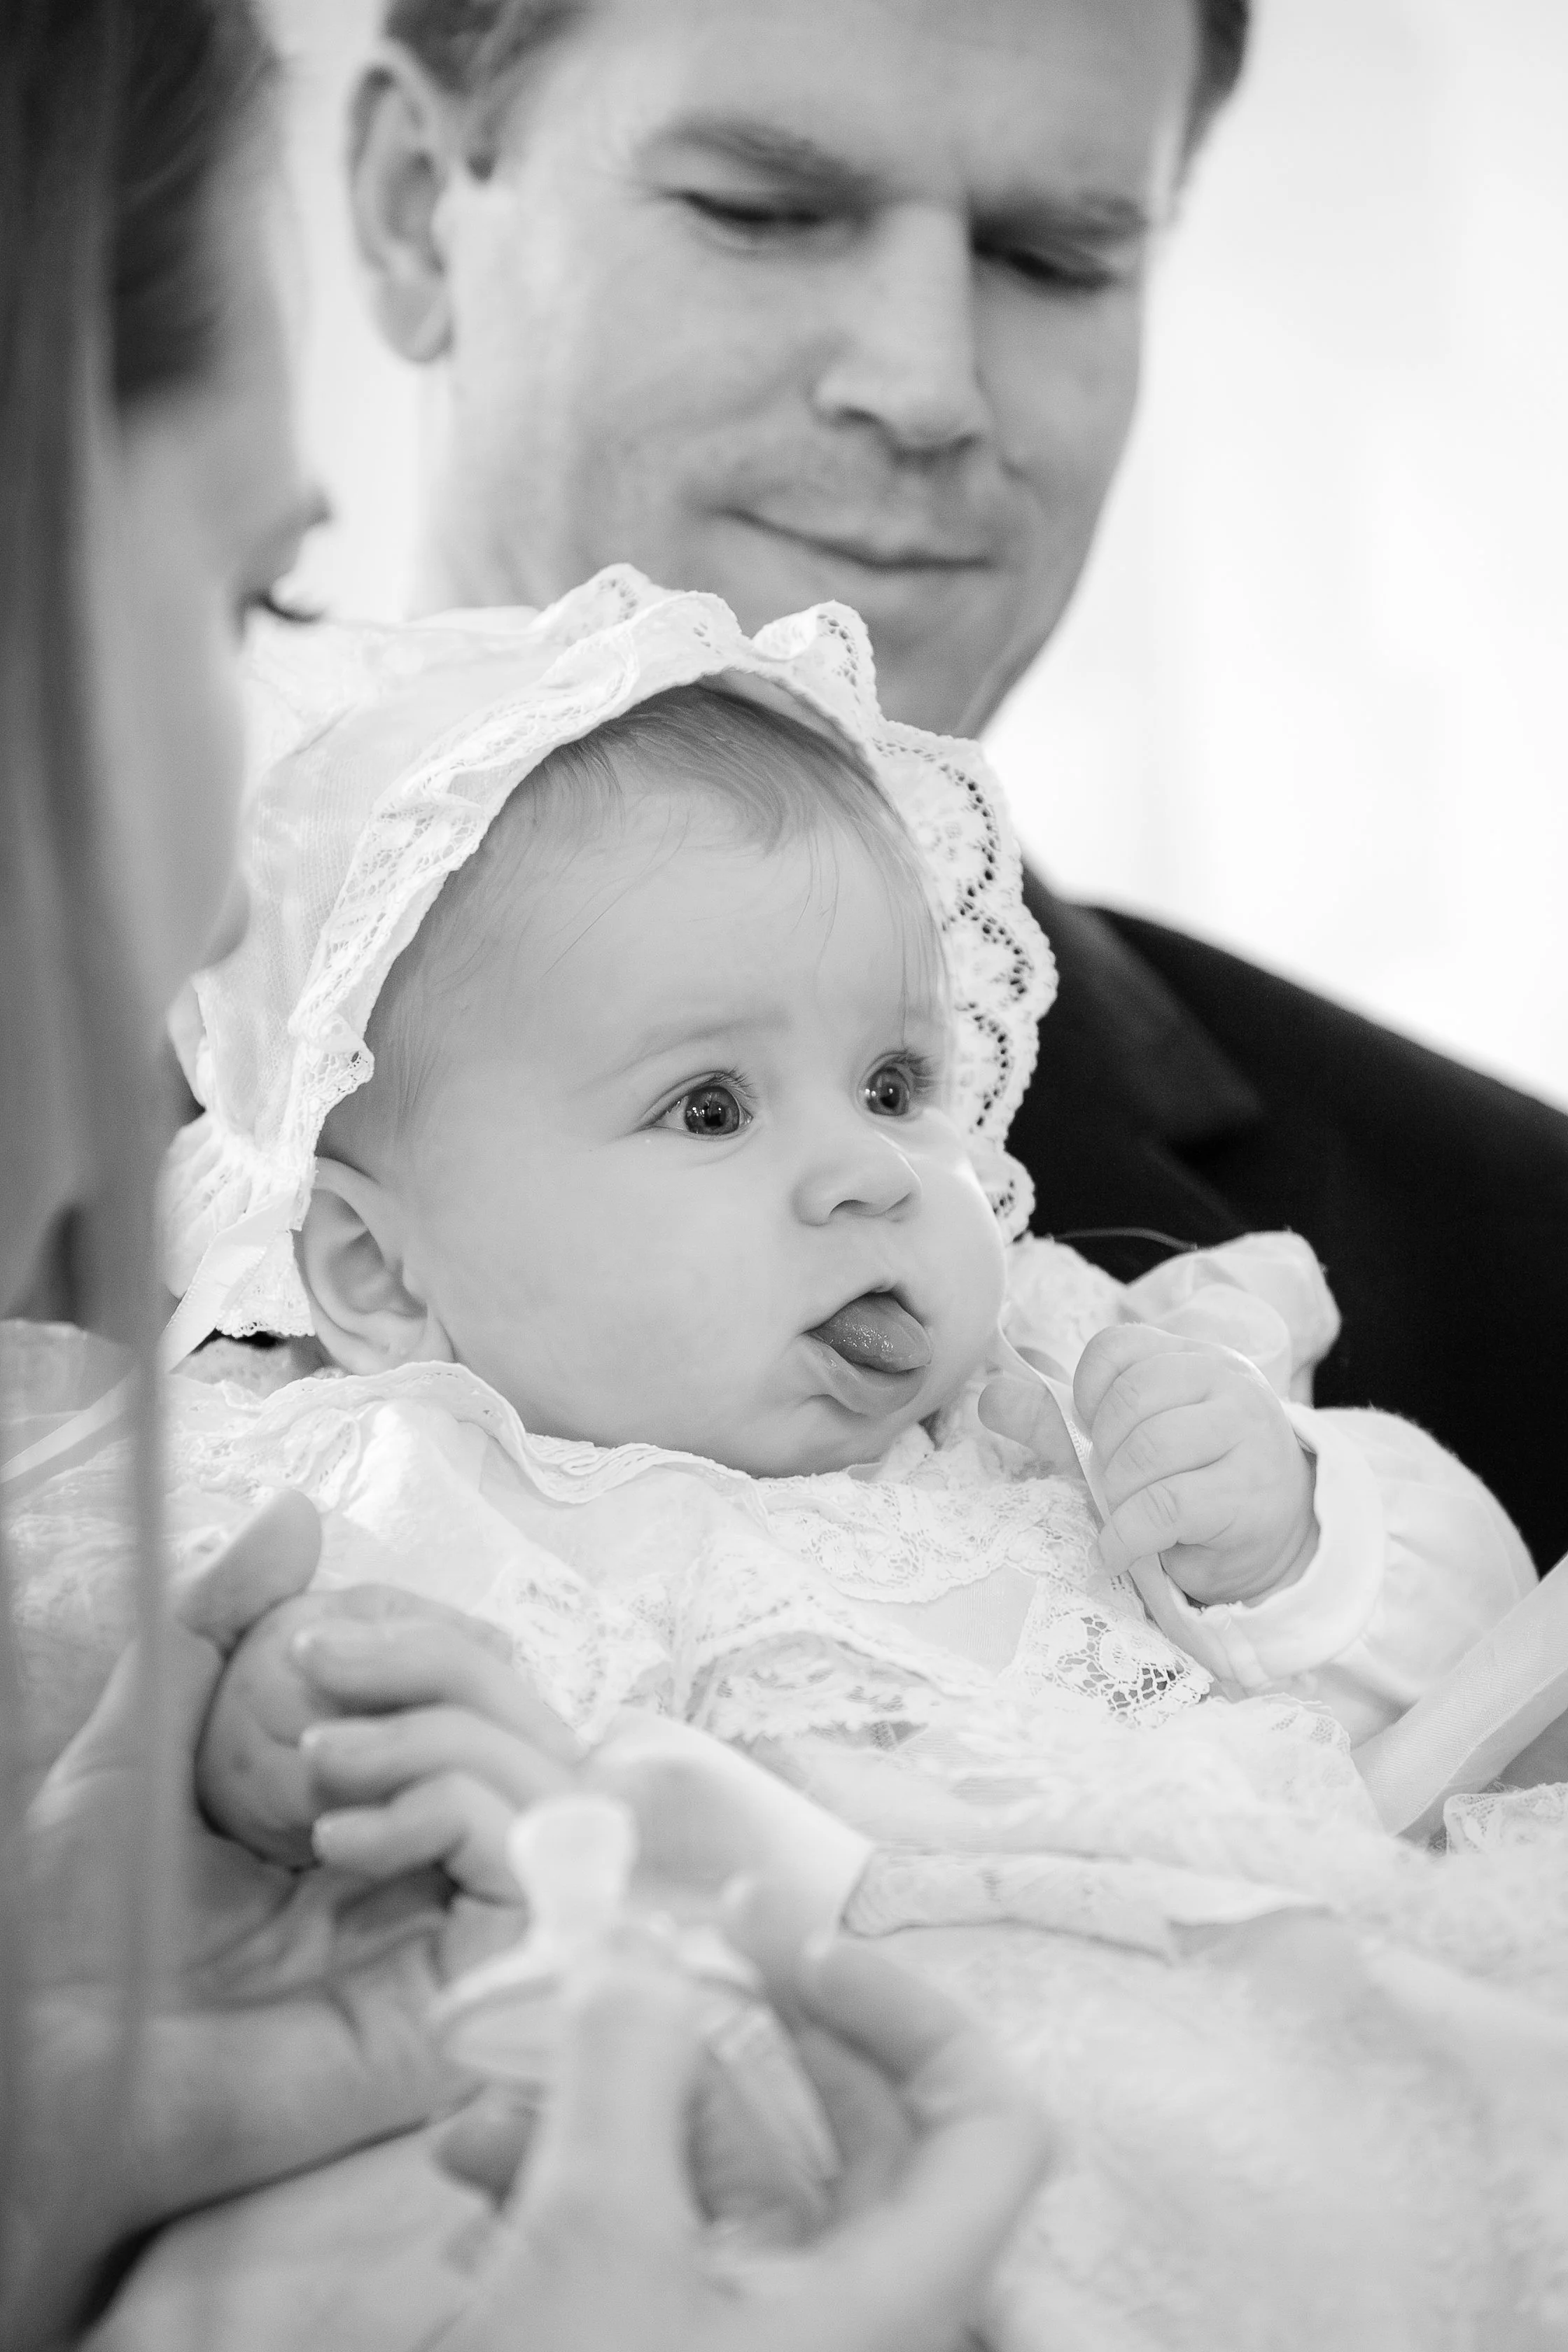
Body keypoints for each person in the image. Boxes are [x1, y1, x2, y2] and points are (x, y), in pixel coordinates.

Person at [134, 578, 1568, 2341]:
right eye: (711, 1109)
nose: (874, 1172)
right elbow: (316, 1818)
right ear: (377, 1272)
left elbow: (1462, 1688)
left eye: (896, 1082)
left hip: (1311, 2042)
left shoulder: (1054, 1384)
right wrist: (285, 1749)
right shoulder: (423, 1492)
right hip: (873, 2156)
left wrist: (1284, 1542)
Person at [0, 4, 1046, 2346]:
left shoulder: (1149, 1339)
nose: (928, 377)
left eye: (1066, 250)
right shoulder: (292, 1480)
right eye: (240, 601)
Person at [344, 0, 1568, 1573]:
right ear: (407, 206)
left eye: (1054, 257)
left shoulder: (1522, 1270)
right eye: (763, 212)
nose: (926, 387)